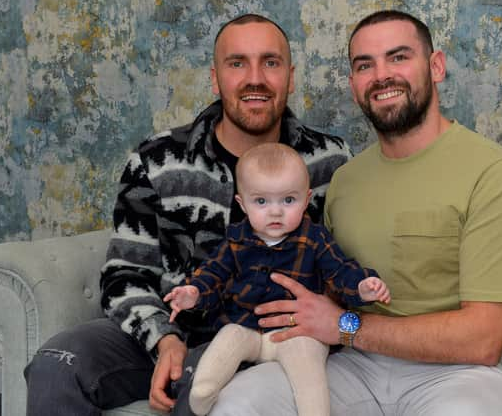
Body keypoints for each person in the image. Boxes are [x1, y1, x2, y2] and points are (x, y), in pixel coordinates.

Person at [205, 10, 502, 416]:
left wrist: (346, 326)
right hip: (354, 366)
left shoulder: (496, 175)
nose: (382, 75)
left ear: (435, 66)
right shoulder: (346, 179)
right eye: (365, 65)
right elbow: (326, 282)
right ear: (353, 86)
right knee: (239, 401)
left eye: (398, 57)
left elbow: (483, 339)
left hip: (461, 373)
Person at [23, 14, 354, 416]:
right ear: (216, 79)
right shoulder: (157, 160)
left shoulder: (331, 161)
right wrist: (163, 339)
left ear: (291, 76)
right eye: (237, 63)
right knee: (57, 363)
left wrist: (338, 318)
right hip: (164, 330)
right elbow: (125, 274)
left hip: (258, 339)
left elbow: (348, 267)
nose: (255, 78)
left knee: (201, 393)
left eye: (271, 62)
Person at [164, 142, 390, 416]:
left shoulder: (314, 238)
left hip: (296, 331)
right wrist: (194, 293)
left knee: (308, 367)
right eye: (261, 201)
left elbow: (340, 270)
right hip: (246, 327)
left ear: (306, 200)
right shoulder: (236, 239)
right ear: (242, 203)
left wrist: (362, 286)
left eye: (288, 200)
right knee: (227, 338)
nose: (275, 212)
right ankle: (201, 398)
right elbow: (213, 274)